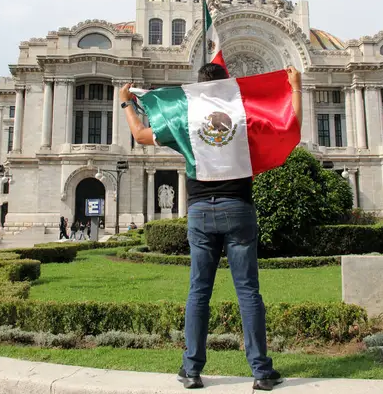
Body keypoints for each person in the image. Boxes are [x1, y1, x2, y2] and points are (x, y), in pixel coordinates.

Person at [120, 65, 302, 391]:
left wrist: (126, 104)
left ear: (200, 87)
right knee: (248, 292)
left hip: (201, 211)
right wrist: (295, 87)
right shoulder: (242, 111)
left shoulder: (185, 114)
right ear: (226, 84)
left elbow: (140, 135)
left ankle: (191, 370)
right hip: (239, 209)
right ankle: (261, 371)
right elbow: (289, 126)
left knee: (199, 291)